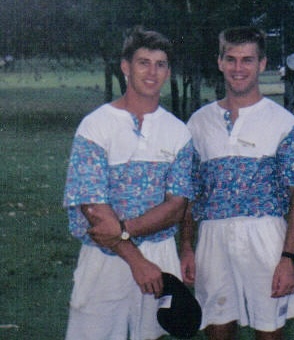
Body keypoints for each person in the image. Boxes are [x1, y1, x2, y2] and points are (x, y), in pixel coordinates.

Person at [63, 26, 194, 340]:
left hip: (160, 254)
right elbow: (91, 204)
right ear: (126, 67)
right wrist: (135, 259)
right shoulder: (95, 126)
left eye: (160, 64)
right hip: (104, 260)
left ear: (168, 72)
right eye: (143, 62)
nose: (152, 72)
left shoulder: (178, 132)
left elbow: (176, 206)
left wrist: (123, 231)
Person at [182, 26, 294, 340]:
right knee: (218, 329)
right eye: (231, 59)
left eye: (247, 60)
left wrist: (287, 257)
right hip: (213, 238)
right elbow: (188, 193)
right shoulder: (199, 123)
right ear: (220, 62)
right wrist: (186, 246)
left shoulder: (283, 123)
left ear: (262, 64)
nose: (238, 68)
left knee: (268, 332)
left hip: (266, 238)